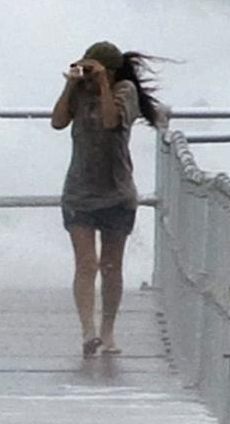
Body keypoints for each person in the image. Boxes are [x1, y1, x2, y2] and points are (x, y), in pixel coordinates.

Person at [51, 42, 162, 356]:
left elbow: (112, 122)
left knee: (111, 265)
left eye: (93, 68)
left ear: (110, 70)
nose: (87, 73)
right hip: (79, 192)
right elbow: (58, 121)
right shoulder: (79, 89)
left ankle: (108, 331)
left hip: (116, 192)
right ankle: (88, 332)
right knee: (86, 264)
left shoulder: (125, 91)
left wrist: (102, 85)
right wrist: (70, 86)